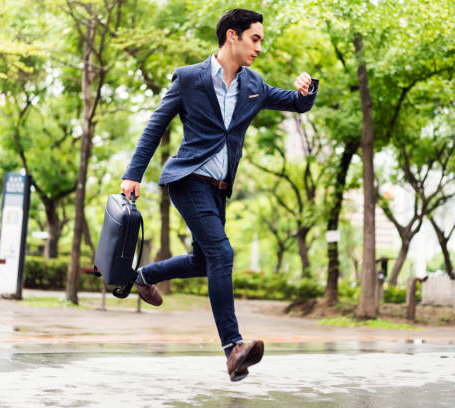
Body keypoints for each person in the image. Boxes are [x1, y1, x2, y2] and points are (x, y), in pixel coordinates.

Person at [120, 9, 318, 381]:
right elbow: (155, 126)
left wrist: (308, 89)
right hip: (187, 178)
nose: (260, 46)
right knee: (222, 253)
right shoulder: (190, 78)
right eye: (255, 38)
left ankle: (142, 276)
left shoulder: (254, 85)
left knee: (204, 261)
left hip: (218, 190)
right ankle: (233, 348)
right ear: (233, 36)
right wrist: (133, 173)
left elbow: (297, 102)